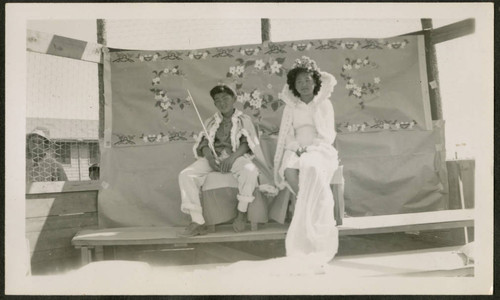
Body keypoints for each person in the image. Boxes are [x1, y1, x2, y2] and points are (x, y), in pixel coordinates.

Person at [178, 84, 273, 237]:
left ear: (234, 99)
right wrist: (209, 158)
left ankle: (241, 213)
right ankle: (198, 221)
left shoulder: (244, 120)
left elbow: (246, 143)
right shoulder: (210, 121)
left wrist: (232, 158)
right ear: (214, 104)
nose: (222, 103)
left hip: (236, 157)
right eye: (217, 100)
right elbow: (203, 143)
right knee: (185, 175)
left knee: (250, 170)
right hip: (213, 158)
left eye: (225, 98)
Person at [273, 56, 340, 263]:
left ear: (315, 82)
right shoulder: (291, 108)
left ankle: (311, 216)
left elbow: (327, 134)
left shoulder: (324, 104)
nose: (303, 85)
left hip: (320, 148)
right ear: (294, 86)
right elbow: (288, 135)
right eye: (299, 82)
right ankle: (309, 207)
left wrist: (310, 149)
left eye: (307, 80)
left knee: (310, 166)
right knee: (289, 168)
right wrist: (297, 148)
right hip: (296, 147)